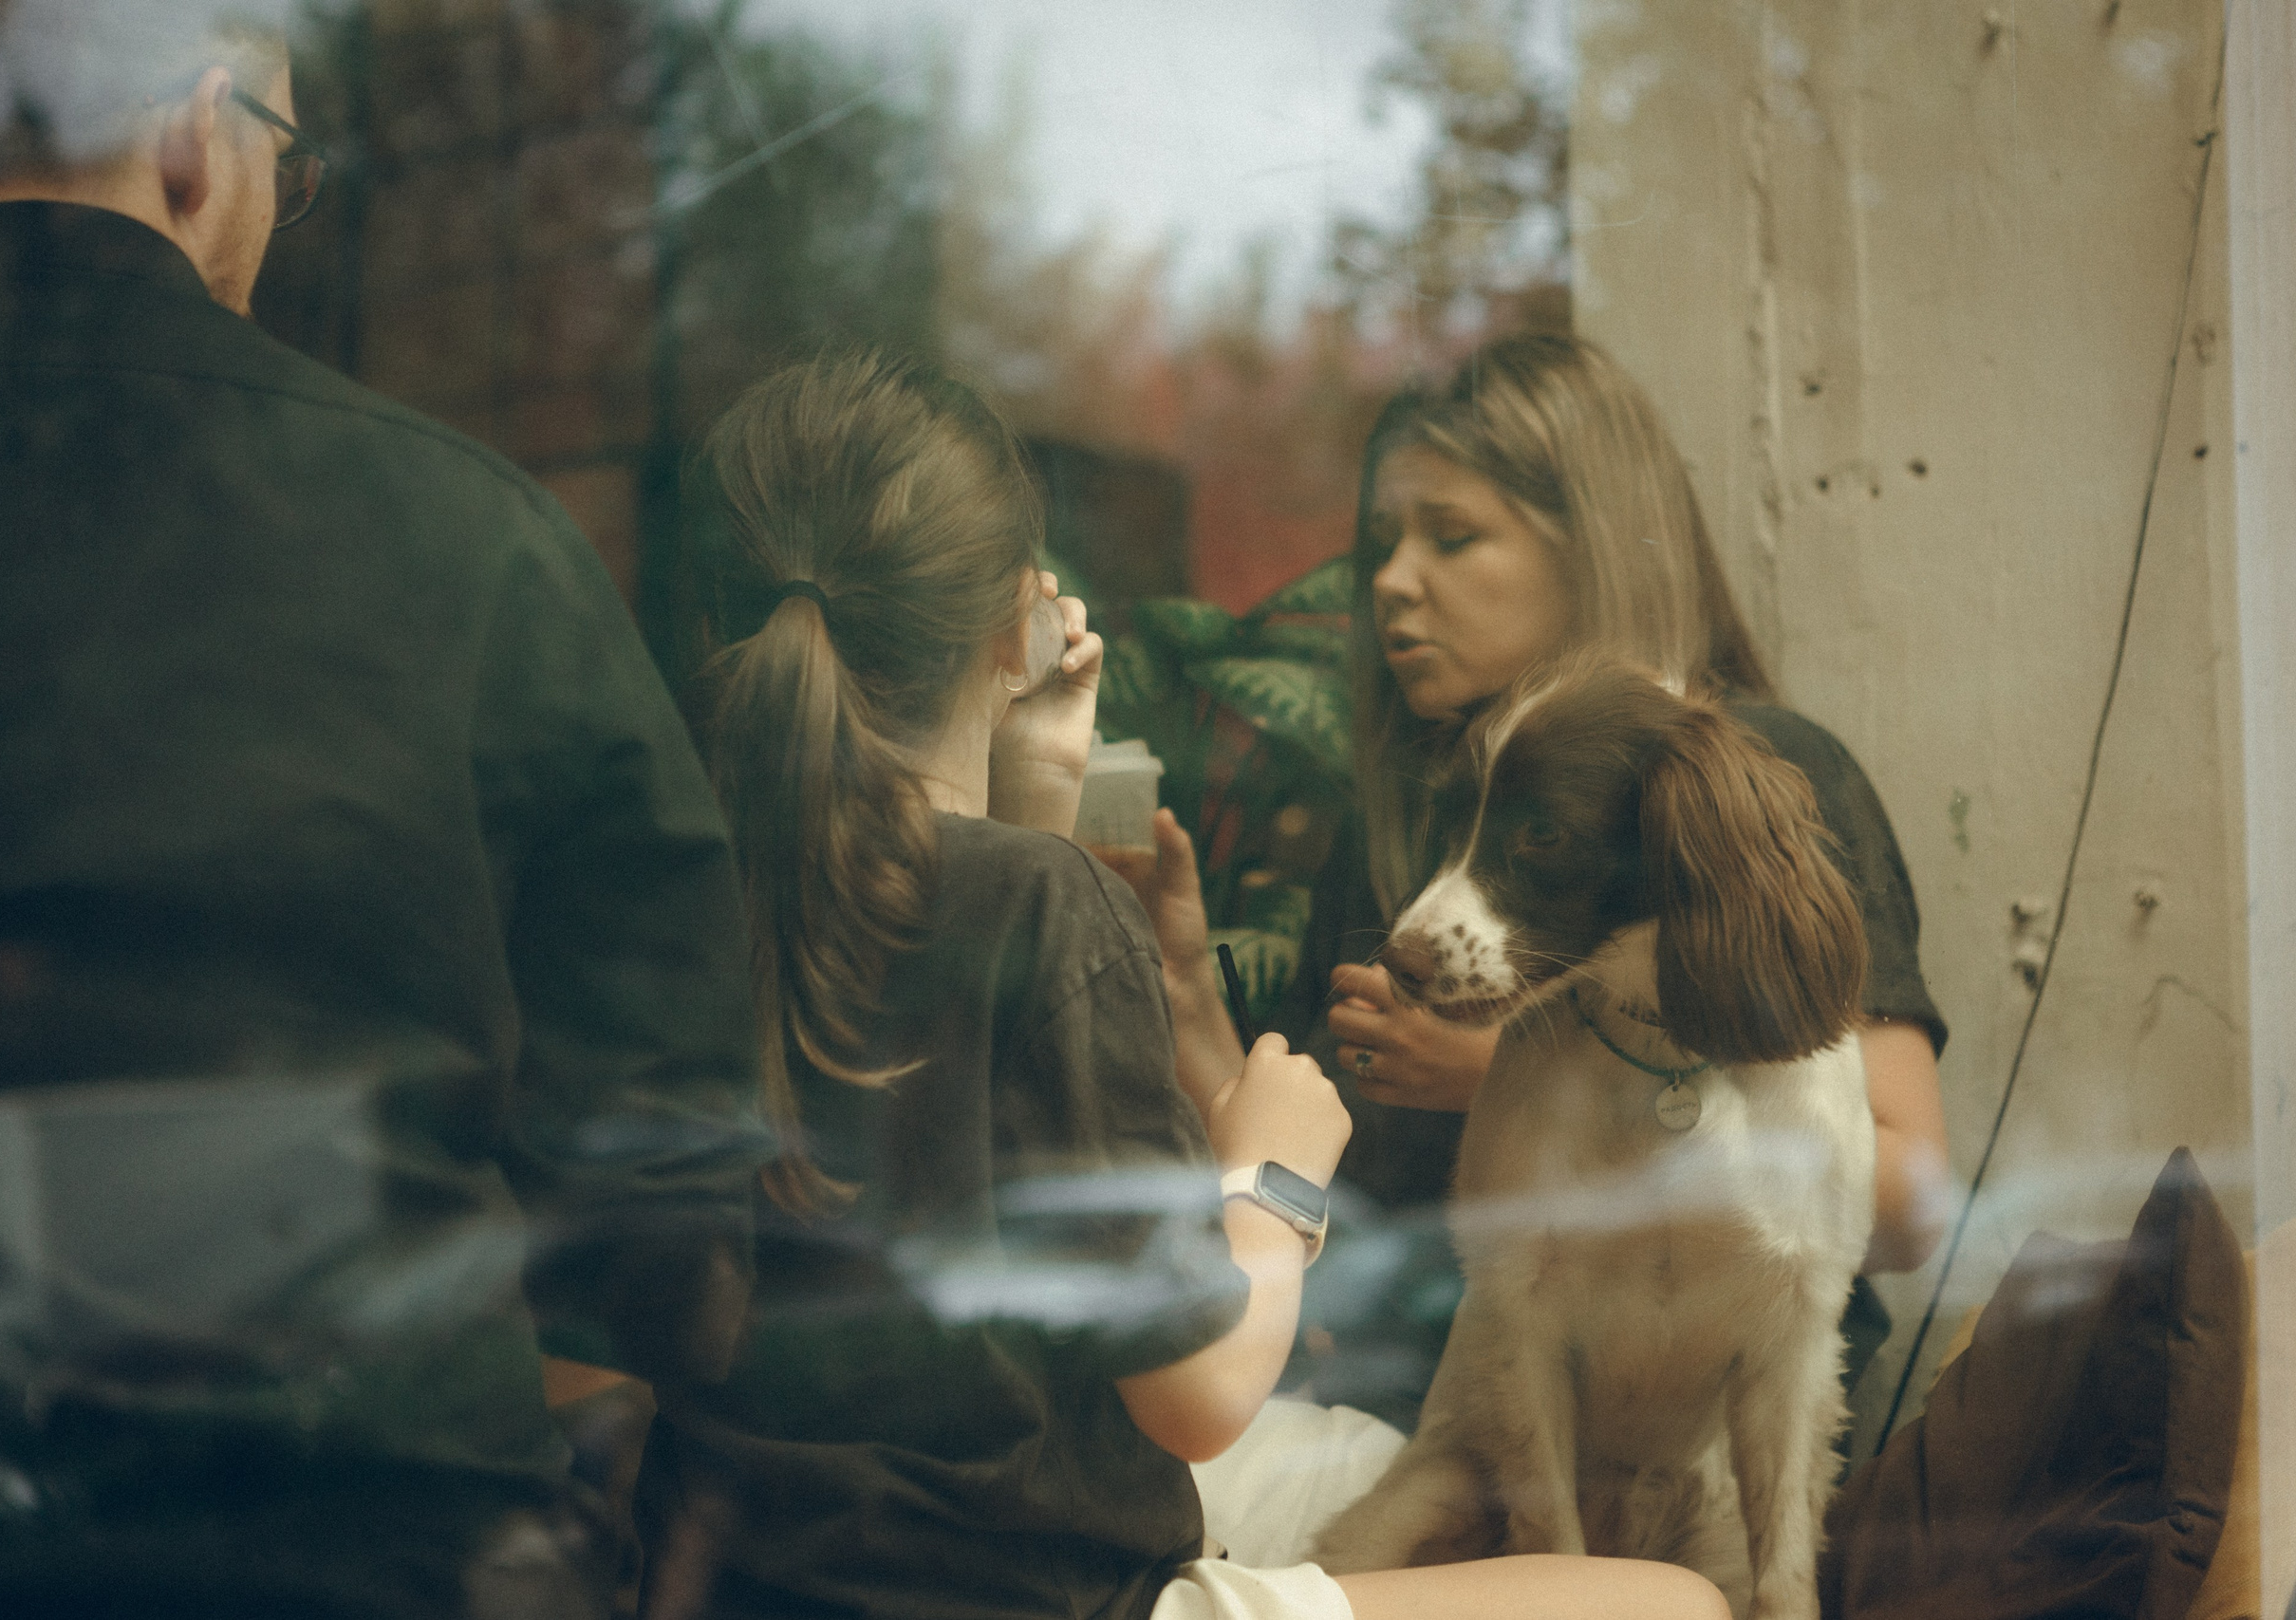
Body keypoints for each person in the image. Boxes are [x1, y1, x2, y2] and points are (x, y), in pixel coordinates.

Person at [0, 6, 766, 1614]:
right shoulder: (471, 545)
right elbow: (665, 1234)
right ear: (194, 137)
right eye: (291, 155)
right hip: (377, 1560)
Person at [670, 350, 1728, 1620]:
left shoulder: (682, 913)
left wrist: (1040, 799)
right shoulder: (1046, 909)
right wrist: (1272, 1174)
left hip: (737, 1584)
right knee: (1668, 1602)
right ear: (1022, 620)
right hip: (1054, 1600)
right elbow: (1202, 1396)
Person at [1127, 332, 1952, 1417]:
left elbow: (1906, 1204)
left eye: (1451, 536)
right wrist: (1181, 983)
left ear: (1593, 548)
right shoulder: (1410, 826)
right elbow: (1281, 1176)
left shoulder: (1745, 784)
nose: (1389, 582)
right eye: (1382, 542)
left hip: (1697, 1438)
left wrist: (1503, 1078)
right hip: (1432, 1428)